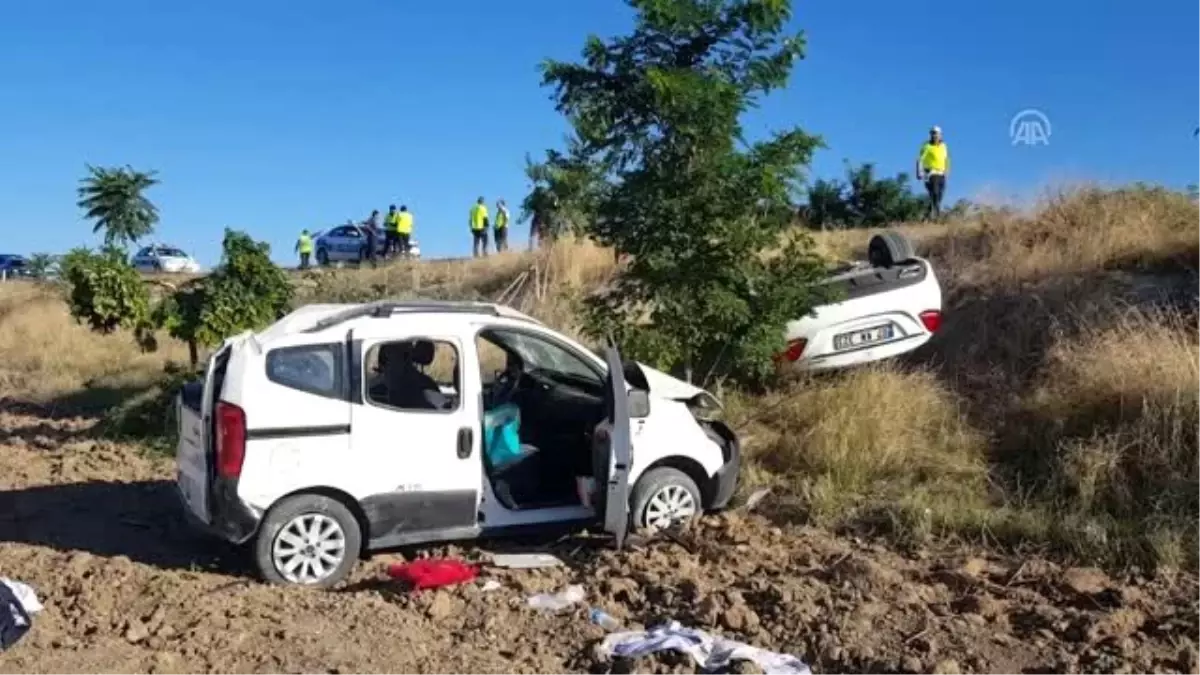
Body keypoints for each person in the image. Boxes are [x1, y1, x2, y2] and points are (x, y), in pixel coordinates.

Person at [916, 125, 950, 221]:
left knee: (939, 197)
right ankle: (938, 217)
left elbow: (946, 159)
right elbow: (920, 160)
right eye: (932, 133)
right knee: (934, 193)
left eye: (936, 133)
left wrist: (947, 171)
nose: (934, 135)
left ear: (940, 135)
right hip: (931, 173)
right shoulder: (926, 146)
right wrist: (919, 172)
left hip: (941, 174)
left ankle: (926, 217)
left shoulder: (944, 146)